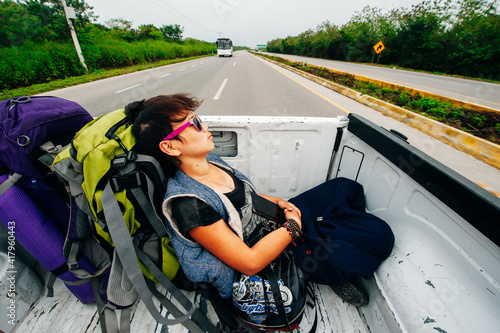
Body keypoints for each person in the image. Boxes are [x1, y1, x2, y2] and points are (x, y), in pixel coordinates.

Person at [129, 93, 395, 311]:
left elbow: (245, 194)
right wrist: (292, 228)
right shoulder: (189, 205)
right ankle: (326, 269)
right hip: (272, 259)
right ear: (171, 147)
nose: (205, 127)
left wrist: (279, 202)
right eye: (194, 125)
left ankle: (329, 243)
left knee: (344, 188)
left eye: (199, 119)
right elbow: (250, 262)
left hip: (274, 222)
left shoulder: (210, 162)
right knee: (378, 234)